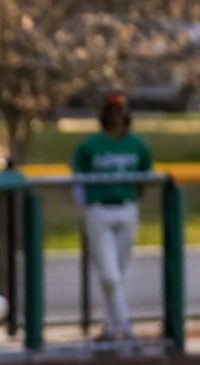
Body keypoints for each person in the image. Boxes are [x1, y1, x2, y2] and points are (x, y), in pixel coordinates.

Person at [72, 91, 152, 343]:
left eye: (121, 111)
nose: (117, 116)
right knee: (109, 274)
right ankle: (125, 327)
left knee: (119, 273)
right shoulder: (89, 146)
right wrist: (84, 208)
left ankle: (109, 326)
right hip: (99, 210)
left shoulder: (137, 145)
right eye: (113, 111)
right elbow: (78, 181)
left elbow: (144, 180)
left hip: (126, 208)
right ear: (105, 115)